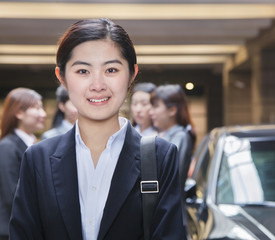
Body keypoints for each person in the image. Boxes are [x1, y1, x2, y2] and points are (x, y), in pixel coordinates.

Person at [9, 18, 185, 240]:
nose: (97, 85)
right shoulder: (38, 159)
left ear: (132, 74)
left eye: (111, 69)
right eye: (83, 71)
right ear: (61, 77)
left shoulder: (161, 156)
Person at [0, 88, 46, 240]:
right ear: (18, 113)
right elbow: (11, 195)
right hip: (11, 230)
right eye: (37, 108)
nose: (43, 114)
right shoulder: (7, 146)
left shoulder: (35, 145)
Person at [149, 84, 196, 236]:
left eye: (156, 107)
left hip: (171, 214)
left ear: (172, 110)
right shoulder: (164, 135)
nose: (151, 112)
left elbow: (169, 175)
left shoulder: (180, 136)